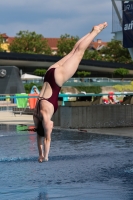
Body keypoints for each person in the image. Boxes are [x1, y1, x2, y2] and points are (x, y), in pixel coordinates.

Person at [33, 22, 108, 162]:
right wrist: (40, 154)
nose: (52, 126)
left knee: (79, 53)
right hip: (49, 74)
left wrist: (46, 156)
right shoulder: (36, 116)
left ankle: (95, 32)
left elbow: (47, 139)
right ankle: (91, 32)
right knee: (74, 51)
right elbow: (39, 138)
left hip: (57, 79)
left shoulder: (46, 120)